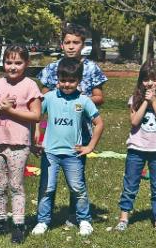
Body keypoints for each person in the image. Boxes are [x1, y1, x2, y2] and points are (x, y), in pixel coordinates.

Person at [37, 23, 107, 227]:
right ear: (61, 44)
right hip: (55, 133)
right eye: (67, 42)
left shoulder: (92, 68)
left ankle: (75, 214)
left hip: (81, 131)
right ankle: (46, 218)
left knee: (75, 177)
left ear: (82, 45)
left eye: (75, 42)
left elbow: (99, 97)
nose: (71, 46)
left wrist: (80, 101)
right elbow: (41, 97)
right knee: (49, 181)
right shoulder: (52, 68)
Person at [30, 58, 103, 236]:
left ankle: (84, 219)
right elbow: (35, 116)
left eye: (71, 81)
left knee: (78, 189)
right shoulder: (48, 97)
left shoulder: (84, 101)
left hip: (73, 155)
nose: (67, 84)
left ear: (79, 81)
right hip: (50, 153)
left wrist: (90, 146)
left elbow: (99, 123)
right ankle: (42, 221)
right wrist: (35, 138)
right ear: (57, 79)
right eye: (63, 80)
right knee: (47, 188)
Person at [0, 45, 41, 244]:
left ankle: (18, 225)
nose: (13, 67)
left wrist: (11, 112)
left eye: (18, 63)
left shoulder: (30, 85)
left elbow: (36, 115)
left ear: (26, 63)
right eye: (8, 62)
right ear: (3, 62)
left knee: (16, 185)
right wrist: (0, 106)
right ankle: (0, 221)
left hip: (18, 144)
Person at [116, 61, 156, 232]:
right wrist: (144, 102)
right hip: (137, 148)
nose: (150, 83)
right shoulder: (135, 98)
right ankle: (124, 216)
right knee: (130, 183)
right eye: (146, 79)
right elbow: (134, 121)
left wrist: (155, 101)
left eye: (155, 79)